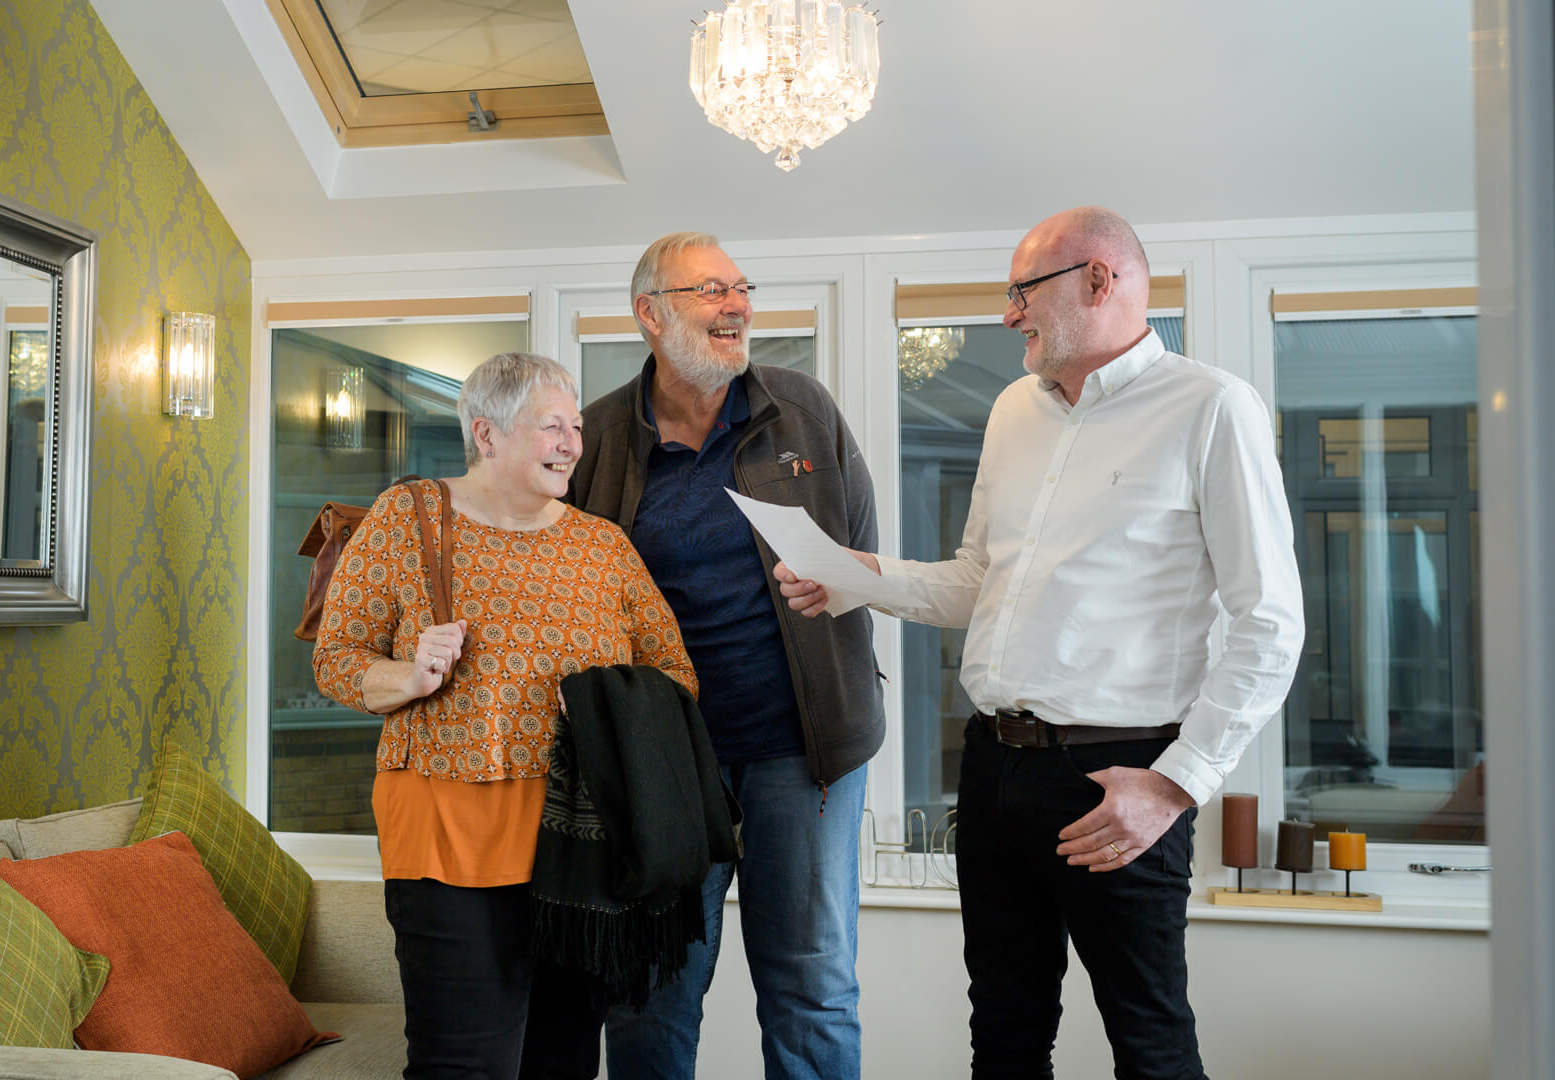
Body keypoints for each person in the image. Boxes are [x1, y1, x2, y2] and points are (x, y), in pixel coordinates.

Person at [776, 207, 1305, 1079]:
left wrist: (1175, 785)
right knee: (1004, 1037)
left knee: (1151, 1046)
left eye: (1024, 291)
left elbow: (1271, 623)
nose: (1009, 313)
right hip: (993, 768)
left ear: (1100, 280)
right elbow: (979, 582)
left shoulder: (1212, 408)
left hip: (1118, 779)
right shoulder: (1013, 410)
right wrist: (856, 578)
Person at [313, 352, 698, 1080]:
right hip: (446, 846)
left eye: (576, 427)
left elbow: (676, 675)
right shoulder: (408, 519)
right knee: (464, 1066)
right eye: (552, 427)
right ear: (486, 434)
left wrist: (611, 702)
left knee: (564, 1064)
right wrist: (411, 675)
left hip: (578, 855)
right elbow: (336, 659)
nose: (572, 444)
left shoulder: (602, 547)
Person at [568, 232, 883, 1080]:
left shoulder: (802, 407)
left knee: (813, 987)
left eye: (742, 288)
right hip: (662, 765)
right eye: (711, 290)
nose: (737, 305)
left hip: (803, 754)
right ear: (650, 313)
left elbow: (858, 550)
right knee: (653, 990)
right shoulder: (598, 435)